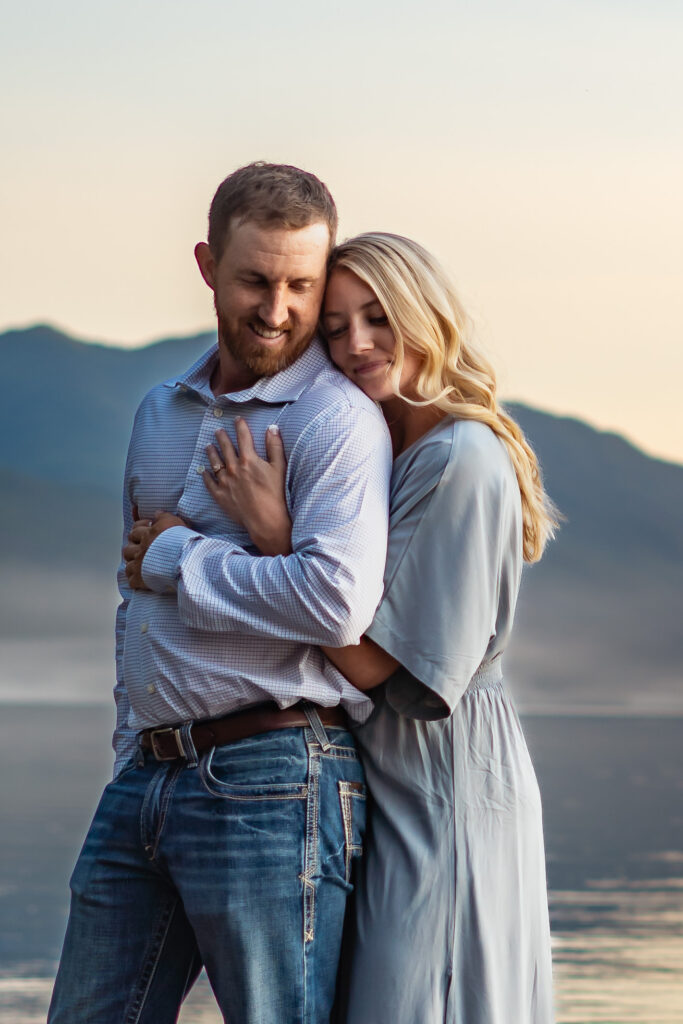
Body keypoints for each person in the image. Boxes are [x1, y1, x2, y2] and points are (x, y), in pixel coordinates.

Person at [47, 165, 393, 1024]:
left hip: (273, 774)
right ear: (207, 264)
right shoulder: (159, 412)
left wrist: (179, 557)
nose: (277, 310)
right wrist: (132, 751)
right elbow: (139, 612)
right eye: (254, 280)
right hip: (145, 774)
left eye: (300, 286)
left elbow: (334, 605)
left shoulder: (334, 420)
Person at [206, 232, 557, 1023]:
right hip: (387, 784)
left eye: (378, 317)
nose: (356, 344)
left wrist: (277, 540)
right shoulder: (394, 452)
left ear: (425, 314)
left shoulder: (460, 458)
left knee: (418, 1000)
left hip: (446, 785)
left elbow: (392, 676)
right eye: (333, 327)